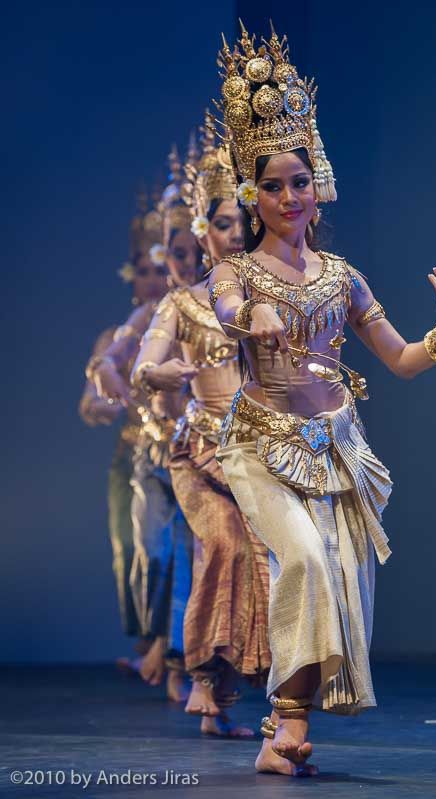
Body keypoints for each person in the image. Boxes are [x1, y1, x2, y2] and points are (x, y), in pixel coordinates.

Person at [209, 22, 436, 776]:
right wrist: (249, 316)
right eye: (272, 185)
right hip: (259, 445)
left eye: (299, 181)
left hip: (336, 446)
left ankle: (283, 728)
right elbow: (226, 308)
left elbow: (401, 358)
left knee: (338, 575)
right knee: (306, 563)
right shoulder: (239, 271)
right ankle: (281, 722)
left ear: (316, 182)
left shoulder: (341, 276)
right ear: (252, 194)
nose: (288, 196)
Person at [131, 112, 270, 737]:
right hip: (197, 450)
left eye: (242, 223)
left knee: (269, 554)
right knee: (223, 545)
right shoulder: (180, 303)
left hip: (255, 447)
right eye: (222, 224)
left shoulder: (263, 295)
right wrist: (162, 375)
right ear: (202, 231)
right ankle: (205, 681)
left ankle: (244, 696)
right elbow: (143, 366)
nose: (234, 235)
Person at [88, 169, 199, 701]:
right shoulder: (149, 316)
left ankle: (181, 664)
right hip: (150, 452)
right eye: (157, 263)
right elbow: (107, 370)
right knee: (148, 552)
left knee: (192, 557)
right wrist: (112, 381)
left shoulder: (213, 304)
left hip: (202, 449)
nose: (167, 272)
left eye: (181, 256)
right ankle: (161, 650)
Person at [79, 187, 171, 668]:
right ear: (131, 277)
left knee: (163, 551)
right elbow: (92, 399)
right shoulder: (116, 339)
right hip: (130, 452)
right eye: (145, 270)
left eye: (162, 268)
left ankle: (166, 649)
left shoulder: (183, 322)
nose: (153, 279)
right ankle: (148, 642)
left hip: (175, 452)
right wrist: (102, 404)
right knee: (129, 553)